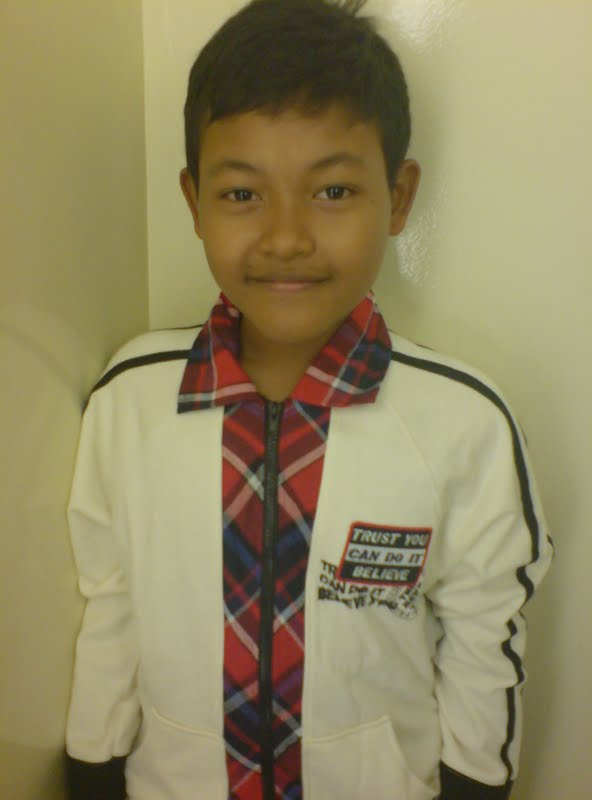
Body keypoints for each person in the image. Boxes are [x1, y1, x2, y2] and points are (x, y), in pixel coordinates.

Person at [64, 1, 553, 798]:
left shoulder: (465, 423)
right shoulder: (130, 400)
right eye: (241, 194)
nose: (286, 236)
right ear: (193, 201)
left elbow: (481, 636)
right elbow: (111, 602)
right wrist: (90, 767)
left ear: (398, 197)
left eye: (331, 189)